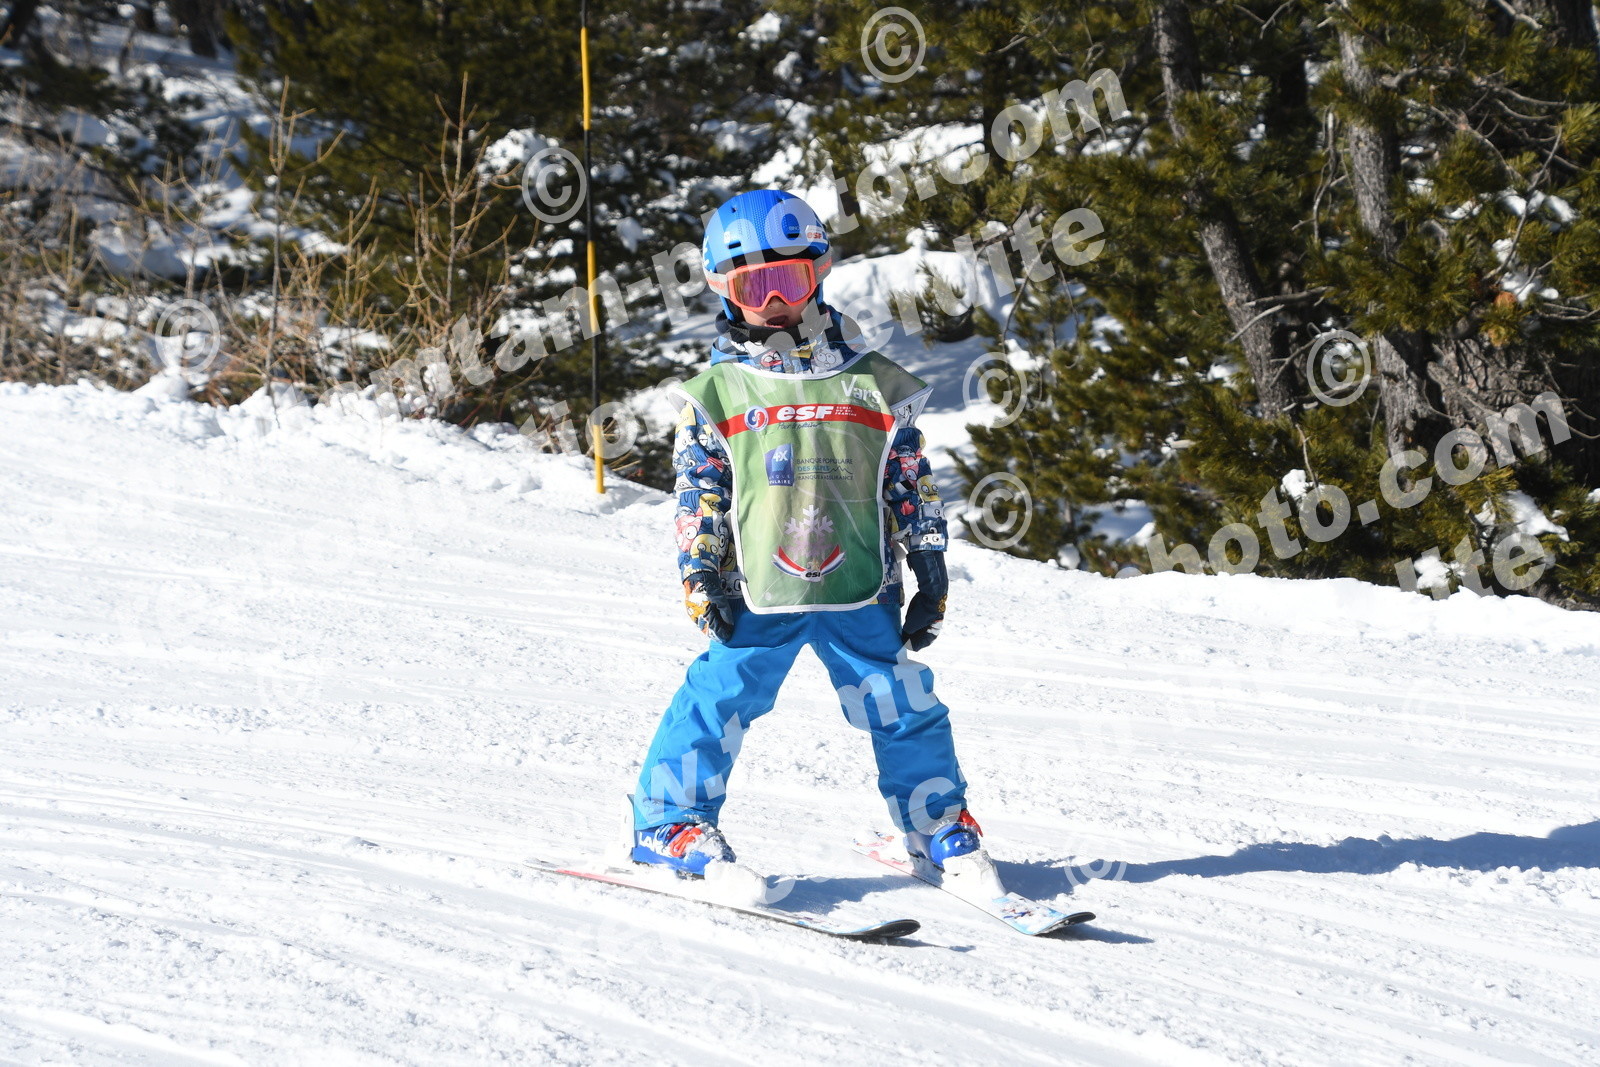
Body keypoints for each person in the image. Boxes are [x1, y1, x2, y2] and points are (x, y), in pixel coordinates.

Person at [629, 189, 989, 881]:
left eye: (788, 281)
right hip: (756, 585)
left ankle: (936, 821)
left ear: (818, 274)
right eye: (752, 286)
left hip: (861, 582)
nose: (772, 303)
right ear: (723, 290)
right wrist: (699, 572)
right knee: (718, 699)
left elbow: (907, 476)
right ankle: (669, 821)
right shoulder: (717, 394)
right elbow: (700, 493)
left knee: (902, 702)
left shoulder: (873, 383)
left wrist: (929, 560)